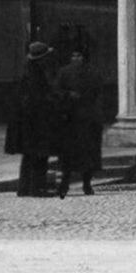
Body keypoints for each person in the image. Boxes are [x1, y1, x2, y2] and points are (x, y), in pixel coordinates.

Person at [4, 40, 57, 198]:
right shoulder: (36, 76)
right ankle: (37, 188)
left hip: (28, 124)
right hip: (35, 123)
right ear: (41, 59)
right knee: (39, 156)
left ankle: (25, 187)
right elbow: (37, 101)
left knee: (29, 157)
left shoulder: (29, 73)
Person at [53, 49, 105, 199]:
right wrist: (68, 95)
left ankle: (87, 184)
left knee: (88, 154)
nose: (76, 58)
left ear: (84, 57)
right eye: (73, 55)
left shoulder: (93, 73)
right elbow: (57, 90)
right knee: (68, 155)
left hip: (88, 118)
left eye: (79, 55)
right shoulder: (64, 72)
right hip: (70, 118)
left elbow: (98, 94)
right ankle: (64, 184)